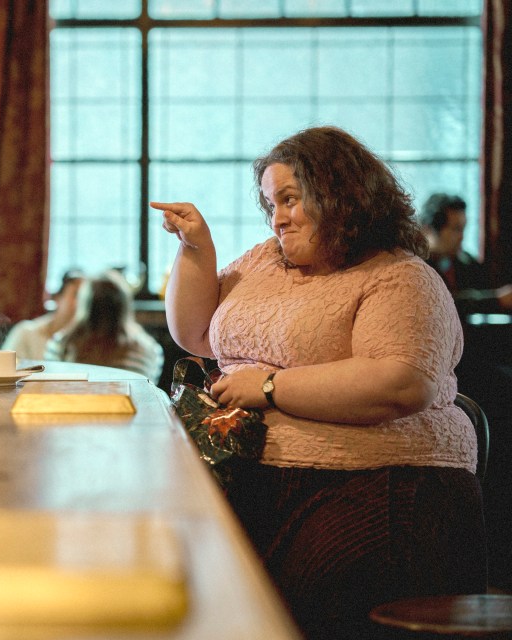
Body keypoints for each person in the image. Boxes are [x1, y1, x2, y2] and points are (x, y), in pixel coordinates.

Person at [153, 126, 486, 640]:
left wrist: (268, 389)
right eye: (270, 203)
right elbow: (196, 334)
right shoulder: (265, 261)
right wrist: (197, 249)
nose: (278, 217)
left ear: (341, 196)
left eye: (290, 199)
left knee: (295, 603)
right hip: (258, 473)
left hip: (380, 483)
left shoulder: (400, 277)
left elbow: (401, 383)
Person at [43, 270, 163, 382]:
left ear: (84, 305)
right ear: (124, 306)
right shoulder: (149, 350)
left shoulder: (60, 346)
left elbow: (54, 387)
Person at [419, 192, 512, 316]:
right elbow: (441, 303)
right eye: (456, 229)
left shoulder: (467, 263)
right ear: (428, 230)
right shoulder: (417, 267)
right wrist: (496, 300)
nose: (462, 237)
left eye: (463, 229)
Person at [0, 269, 84, 360]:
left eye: (86, 297)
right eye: (76, 295)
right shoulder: (26, 332)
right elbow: (3, 367)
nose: (83, 302)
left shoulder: (85, 343)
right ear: (57, 298)